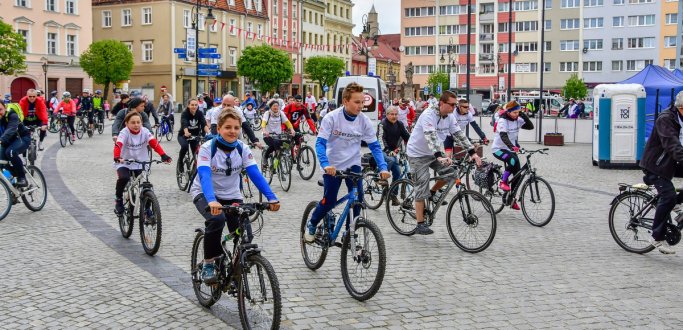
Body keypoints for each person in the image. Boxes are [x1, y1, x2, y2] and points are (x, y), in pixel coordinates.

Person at [191, 108, 280, 284]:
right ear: (219, 129)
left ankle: (236, 265)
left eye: (236, 128)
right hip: (205, 193)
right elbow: (204, 175)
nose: (233, 131)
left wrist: (271, 197)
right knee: (216, 221)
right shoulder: (208, 148)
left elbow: (255, 174)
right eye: (228, 127)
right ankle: (209, 262)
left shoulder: (242, 148)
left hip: (232, 195)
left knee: (245, 232)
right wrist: (211, 200)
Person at [303, 82, 390, 243]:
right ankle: (312, 223)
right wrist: (325, 164)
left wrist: (383, 167)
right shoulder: (331, 118)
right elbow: (320, 143)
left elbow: (375, 146)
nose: (361, 106)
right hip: (332, 165)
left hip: (353, 164)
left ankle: (350, 232)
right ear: (345, 101)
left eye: (362, 102)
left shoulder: (364, 121)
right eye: (357, 102)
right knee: (329, 200)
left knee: (358, 199)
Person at [406, 90, 482, 235]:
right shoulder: (429, 115)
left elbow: (459, 134)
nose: (454, 108)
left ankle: (433, 192)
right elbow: (431, 136)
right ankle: (420, 224)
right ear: (442, 103)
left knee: (451, 174)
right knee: (422, 185)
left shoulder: (450, 116)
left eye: (456, 105)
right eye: (452, 105)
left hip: (433, 154)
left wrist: (472, 153)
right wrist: (439, 155)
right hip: (417, 154)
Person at [640, 91, 683, 254]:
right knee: (668, 195)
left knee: (672, 198)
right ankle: (656, 237)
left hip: (670, 162)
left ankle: (677, 202)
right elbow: (671, 144)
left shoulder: (680, 118)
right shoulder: (666, 119)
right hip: (655, 165)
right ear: (680, 108)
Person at [113, 111, 172, 215]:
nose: (136, 125)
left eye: (138, 122)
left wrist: (163, 155)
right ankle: (118, 199)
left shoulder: (145, 131)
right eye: (133, 122)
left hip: (141, 162)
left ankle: (147, 209)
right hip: (124, 162)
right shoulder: (124, 132)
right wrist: (117, 157)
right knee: (124, 178)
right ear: (127, 123)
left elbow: (154, 143)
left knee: (147, 186)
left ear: (141, 123)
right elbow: (118, 144)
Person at [491, 100, 534, 208]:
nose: (517, 115)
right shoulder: (502, 121)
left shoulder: (518, 119)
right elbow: (503, 136)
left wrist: (522, 113)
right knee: (513, 161)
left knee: (517, 174)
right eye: (514, 112)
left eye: (518, 112)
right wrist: (512, 147)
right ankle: (503, 182)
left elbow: (530, 126)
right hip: (498, 149)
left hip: (510, 149)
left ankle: (511, 198)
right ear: (509, 112)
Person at [380, 106, 411, 205]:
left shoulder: (400, 124)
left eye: (396, 114)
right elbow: (381, 139)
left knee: (398, 172)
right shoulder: (382, 124)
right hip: (382, 151)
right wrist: (387, 150)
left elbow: (407, 137)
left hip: (393, 151)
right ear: (387, 114)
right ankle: (381, 178)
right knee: (391, 160)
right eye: (392, 114)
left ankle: (393, 195)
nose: (394, 116)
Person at [0, 101, 31, 187]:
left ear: (5, 108)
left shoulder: (12, 115)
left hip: (22, 138)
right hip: (6, 142)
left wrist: (1, 140)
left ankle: (22, 178)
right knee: (2, 165)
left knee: (10, 152)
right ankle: (13, 188)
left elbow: (11, 129)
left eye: (0, 109)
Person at [177, 99, 209, 173]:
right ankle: (180, 162)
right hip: (183, 135)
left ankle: (194, 169)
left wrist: (209, 133)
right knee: (184, 147)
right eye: (192, 105)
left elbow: (204, 124)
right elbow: (184, 123)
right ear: (188, 105)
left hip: (195, 136)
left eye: (195, 105)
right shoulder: (185, 113)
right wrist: (186, 132)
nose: (194, 107)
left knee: (196, 151)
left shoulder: (199, 113)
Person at [261, 100, 295, 168]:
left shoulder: (280, 113)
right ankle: (265, 157)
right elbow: (263, 123)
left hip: (278, 135)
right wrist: (264, 130)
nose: (276, 107)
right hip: (268, 135)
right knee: (274, 146)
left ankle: (277, 160)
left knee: (288, 142)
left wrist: (292, 130)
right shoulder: (267, 113)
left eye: (277, 106)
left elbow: (287, 122)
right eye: (274, 106)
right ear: (271, 107)